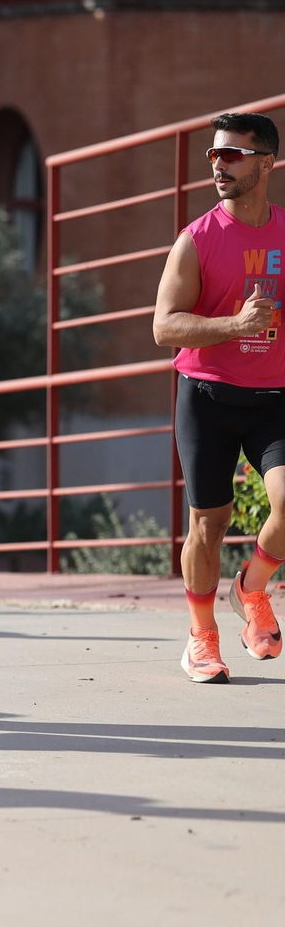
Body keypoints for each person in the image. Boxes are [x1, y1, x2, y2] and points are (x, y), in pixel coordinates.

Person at [152, 111, 285, 684]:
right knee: (209, 524)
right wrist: (234, 326)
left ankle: (252, 588)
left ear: (266, 162)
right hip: (207, 396)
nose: (218, 165)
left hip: (274, 397)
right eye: (213, 154)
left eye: (231, 154)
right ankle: (201, 637)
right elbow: (164, 327)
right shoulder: (197, 240)